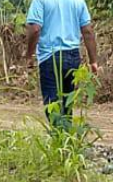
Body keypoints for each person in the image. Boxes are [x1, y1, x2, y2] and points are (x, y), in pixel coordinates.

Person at [24, 0, 99, 130]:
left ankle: (58, 136)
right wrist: (93, 61)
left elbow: (35, 29)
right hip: (73, 56)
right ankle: (67, 137)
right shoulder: (79, 1)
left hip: (50, 56)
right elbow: (87, 30)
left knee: (52, 102)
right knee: (67, 102)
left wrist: (29, 55)